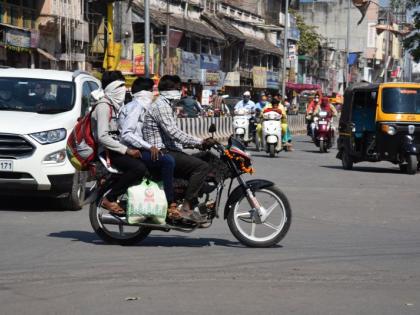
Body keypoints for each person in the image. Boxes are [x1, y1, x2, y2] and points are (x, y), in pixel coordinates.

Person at [143, 75, 216, 223]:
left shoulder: (166, 105)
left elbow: (174, 134)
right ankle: (187, 207)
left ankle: (191, 200)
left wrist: (194, 144)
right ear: (169, 90)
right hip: (162, 151)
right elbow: (174, 132)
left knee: (198, 158)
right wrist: (199, 142)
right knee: (202, 167)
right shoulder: (161, 106)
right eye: (177, 88)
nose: (180, 92)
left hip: (169, 149)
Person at [118, 77, 177, 216]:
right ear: (145, 92)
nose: (153, 94)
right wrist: (149, 147)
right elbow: (126, 134)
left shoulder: (141, 107)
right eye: (151, 91)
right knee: (168, 161)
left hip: (140, 147)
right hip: (132, 150)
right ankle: (170, 203)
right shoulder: (136, 107)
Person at [91, 71, 146, 215]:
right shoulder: (103, 106)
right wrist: (126, 150)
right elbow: (103, 137)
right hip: (108, 151)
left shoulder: (114, 106)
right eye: (120, 86)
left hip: (115, 148)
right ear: (112, 88)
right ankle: (110, 197)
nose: (123, 90)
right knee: (138, 168)